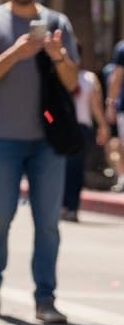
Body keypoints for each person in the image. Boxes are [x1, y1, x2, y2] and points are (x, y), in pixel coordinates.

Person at [0, 0, 78, 324]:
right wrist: (16, 53)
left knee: (48, 222)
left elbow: (73, 83)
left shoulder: (56, 21)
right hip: (2, 138)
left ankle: (45, 298)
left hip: (48, 141)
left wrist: (58, 56)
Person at [61, 46, 109, 222]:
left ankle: (71, 207)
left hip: (82, 129)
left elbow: (96, 106)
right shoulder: (57, 75)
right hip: (61, 130)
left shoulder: (88, 79)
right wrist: (49, 124)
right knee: (61, 169)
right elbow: (47, 111)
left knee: (75, 169)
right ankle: (63, 205)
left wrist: (103, 126)